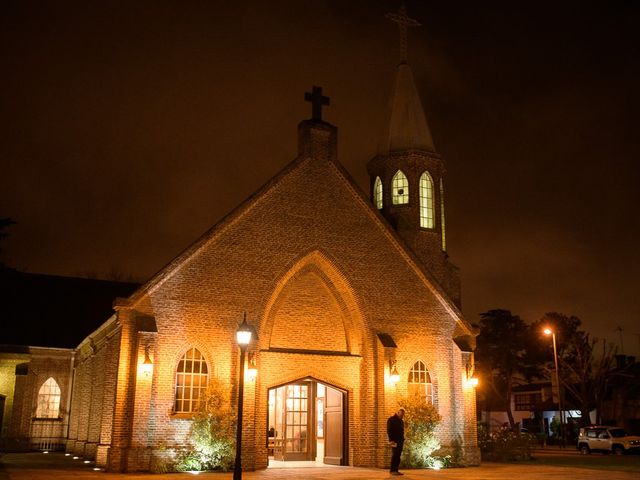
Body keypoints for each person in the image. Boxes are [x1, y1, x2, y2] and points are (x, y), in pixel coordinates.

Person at [387, 408, 405, 476]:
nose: (402, 416)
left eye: (403, 415)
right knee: (395, 455)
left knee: (398, 456)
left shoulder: (401, 421)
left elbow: (401, 431)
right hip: (394, 441)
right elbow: (389, 430)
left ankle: (396, 470)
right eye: (401, 414)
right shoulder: (391, 420)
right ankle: (392, 470)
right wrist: (391, 440)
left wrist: (403, 439)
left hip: (400, 441)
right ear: (398, 413)